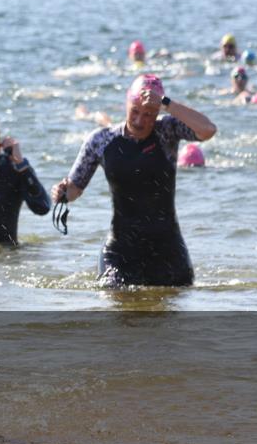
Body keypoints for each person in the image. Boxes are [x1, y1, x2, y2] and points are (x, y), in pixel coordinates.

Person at [52, 74, 217, 288]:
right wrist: (62, 193)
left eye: (148, 114)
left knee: (172, 314)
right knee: (117, 307)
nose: (140, 121)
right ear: (126, 103)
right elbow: (75, 188)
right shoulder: (101, 140)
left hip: (167, 248)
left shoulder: (167, 131)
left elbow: (208, 130)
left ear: (157, 111)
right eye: (135, 111)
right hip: (121, 249)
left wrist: (167, 103)